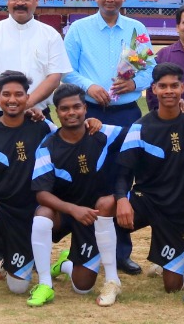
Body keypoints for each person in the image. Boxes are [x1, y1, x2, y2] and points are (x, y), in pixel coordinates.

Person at [114, 64, 184, 303]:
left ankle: (180, 256)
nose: (169, 91)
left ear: (183, 88)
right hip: (150, 201)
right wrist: (121, 199)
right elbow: (123, 173)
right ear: (153, 90)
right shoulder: (140, 128)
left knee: (172, 286)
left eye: (174, 86)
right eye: (163, 86)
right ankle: (102, 273)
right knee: (106, 208)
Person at [0, 71, 60, 304]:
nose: (12, 99)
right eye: (6, 94)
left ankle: (10, 261)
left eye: (18, 94)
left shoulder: (42, 126)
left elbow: (70, 136)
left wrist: (90, 122)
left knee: (18, 288)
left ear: (28, 97)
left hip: (28, 210)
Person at [32, 84, 125, 306]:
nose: (71, 112)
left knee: (82, 287)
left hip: (92, 215)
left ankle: (65, 264)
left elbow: (139, 133)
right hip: (64, 212)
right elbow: (41, 193)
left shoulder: (102, 133)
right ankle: (45, 283)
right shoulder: (47, 146)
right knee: (42, 214)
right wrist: (73, 209)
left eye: (76, 107)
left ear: (85, 108)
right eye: (64, 109)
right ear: (57, 112)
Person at [64, 0, 153, 129]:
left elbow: (150, 69)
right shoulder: (78, 29)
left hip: (127, 113)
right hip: (89, 111)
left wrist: (134, 84)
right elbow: (66, 70)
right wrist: (88, 87)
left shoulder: (137, 29)